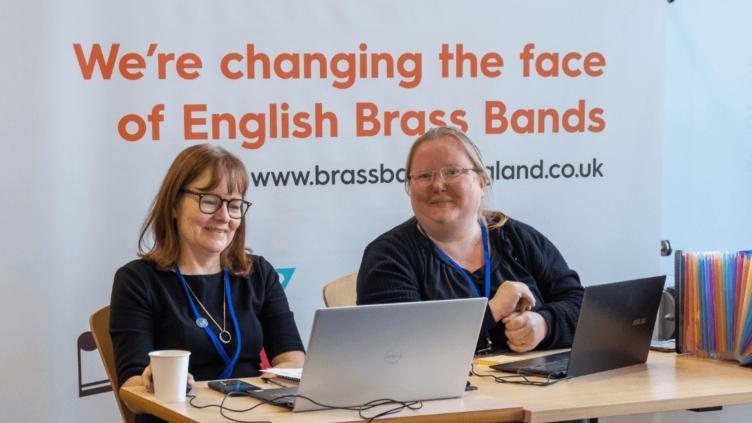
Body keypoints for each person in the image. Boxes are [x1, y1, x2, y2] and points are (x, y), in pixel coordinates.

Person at [110, 144, 304, 421]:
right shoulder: (138, 280)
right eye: (209, 201)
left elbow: (292, 359)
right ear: (174, 204)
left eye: (234, 205)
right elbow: (130, 392)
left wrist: (284, 383)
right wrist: (153, 383)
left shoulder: (258, 273)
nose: (224, 216)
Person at [357, 127, 584, 353]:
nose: (438, 185)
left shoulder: (520, 239)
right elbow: (398, 348)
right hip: (444, 390)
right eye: (424, 176)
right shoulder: (388, 256)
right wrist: (492, 311)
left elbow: (582, 307)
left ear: (481, 182)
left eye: (452, 172)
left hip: (537, 387)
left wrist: (545, 325)